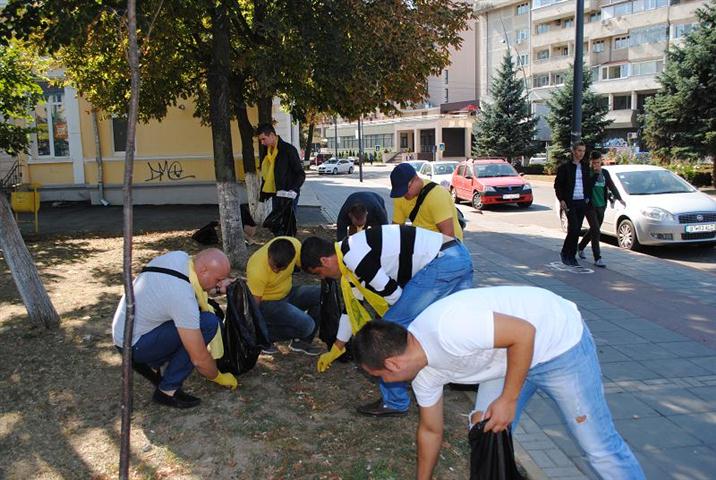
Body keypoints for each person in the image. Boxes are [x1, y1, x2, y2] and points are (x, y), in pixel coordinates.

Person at [353, 287, 645, 480]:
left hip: (557, 344)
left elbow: (523, 333)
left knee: (597, 446)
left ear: (392, 364)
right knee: (484, 429)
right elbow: (430, 430)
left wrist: (508, 399)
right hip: (508, 358)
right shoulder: (424, 373)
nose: (384, 382)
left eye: (379, 377)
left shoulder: (449, 328)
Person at [301, 224, 473, 416]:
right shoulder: (348, 261)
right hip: (457, 256)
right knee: (455, 325)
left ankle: (395, 402)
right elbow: (351, 311)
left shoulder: (354, 257)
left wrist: (394, 329)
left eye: (319, 273)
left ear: (324, 261)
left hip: (444, 261)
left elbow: (393, 295)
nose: (323, 277)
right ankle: (471, 377)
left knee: (385, 334)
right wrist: (337, 348)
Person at [112, 248, 238, 409]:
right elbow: (199, 358)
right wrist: (218, 377)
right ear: (204, 270)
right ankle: (167, 391)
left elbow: (201, 288)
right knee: (207, 324)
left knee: (200, 321)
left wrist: (219, 287)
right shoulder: (181, 297)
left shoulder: (181, 258)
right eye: (218, 279)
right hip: (134, 345)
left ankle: (159, 363)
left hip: (127, 333)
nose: (219, 284)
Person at [246, 236, 322, 355]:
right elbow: (253, 307)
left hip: (287, 293)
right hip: (267, 303)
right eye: (273, 266)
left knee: (322, 294)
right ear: (269, 256)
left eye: (281, 268)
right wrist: (250, 330)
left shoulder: (295, 247)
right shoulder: (257, 269)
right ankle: (262, 337)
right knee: (308, 325)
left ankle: (301, 342)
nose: (276, 270)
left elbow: (309, 266)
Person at [390, 163, 463, 240]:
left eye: (405, 189)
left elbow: (448, 235)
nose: (404, 194)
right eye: (400, 191)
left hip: (450, 246)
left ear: (416, 179)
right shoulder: (400, 196)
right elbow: (397, 229)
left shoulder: (437, 195)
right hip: (424, 242)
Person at [578, 151, 625, 267]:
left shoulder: (605, 173)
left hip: (602, 205)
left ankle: (580, 247)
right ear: (590, 162)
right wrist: (594, 174)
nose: (596, 165)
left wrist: (619, 198)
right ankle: (597, 258)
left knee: (594, 229)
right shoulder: (587, 172)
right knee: (596, 230)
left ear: (601, 162)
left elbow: (611, 186)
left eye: (598, 163)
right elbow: (587, 186)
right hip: (590, 206)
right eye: (593, 163)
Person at [554, 141, 593, 266]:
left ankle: (571, 255)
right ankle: (566, 253)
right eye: (579, 150)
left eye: (583, 151)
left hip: (581, 202)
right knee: (574, 229)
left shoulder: (586, 167)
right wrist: (562, 200)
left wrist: (587, 198)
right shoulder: (565, 167)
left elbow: (588, 184)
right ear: (574, 151)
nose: (581, 153)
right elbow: (558, 185)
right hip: (570, 202)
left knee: (576, 229)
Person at [256, 123, 305, 213]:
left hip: (289, 194)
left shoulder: (288, 149)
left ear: (271, 135)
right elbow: (266, 175)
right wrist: (262, 195)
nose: (262, 142)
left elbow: (300, 173)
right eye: (260, 140)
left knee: (288, 224)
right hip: (276, 193)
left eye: (263, 139)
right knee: (278, 224)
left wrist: (293, 190)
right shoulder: (267, 152)